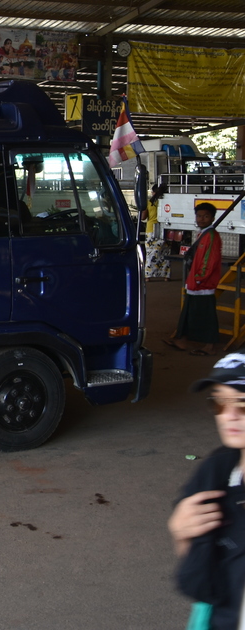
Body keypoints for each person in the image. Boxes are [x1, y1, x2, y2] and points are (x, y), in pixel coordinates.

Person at [169, 353, 245, 629]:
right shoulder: (217, 474)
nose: (229, 416)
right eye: (219, 402)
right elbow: (200, 582)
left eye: (243, 404)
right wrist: (182, 535)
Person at [167, 202, 222, 355]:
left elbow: (210, 260)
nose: (202, 219)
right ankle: (182, 339)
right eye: (199, 216)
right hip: (196, 282)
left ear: (212, 218)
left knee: (206, 314)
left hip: (203, 283)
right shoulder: (203, 234)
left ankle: (209, 346)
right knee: (189, 311)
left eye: (206, 216)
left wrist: (199, 278)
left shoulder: (211, 236)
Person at [144, 186, 169, 280]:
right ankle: (166, 276)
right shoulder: (166, 202)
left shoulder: (149, 203)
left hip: (151, 229)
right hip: (165, 229)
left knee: (150, 253)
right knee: (164, 253)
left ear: (153, 192)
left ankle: (148, 276)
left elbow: (143, 217)